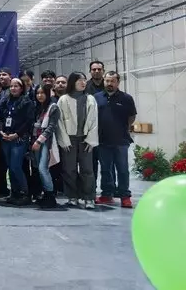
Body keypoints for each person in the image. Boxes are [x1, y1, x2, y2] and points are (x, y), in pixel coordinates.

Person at [57, 72, 98, 209]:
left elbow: (94, 121)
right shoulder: (63, 99)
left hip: (85, 139)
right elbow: (59, 121)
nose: (83, 82)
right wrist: (64, 140)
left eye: (84, 80)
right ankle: (72, 196)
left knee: (87, 169)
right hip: (69, 139)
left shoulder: (90, 99)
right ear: (72, 82)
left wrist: (91, 140)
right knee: (69, 169)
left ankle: (89, 198)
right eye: (79, 80)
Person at [94, 72, 136, 209]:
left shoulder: (126, 98)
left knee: (122, 169)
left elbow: (131, 116)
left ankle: (125, 196)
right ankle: (107, 194)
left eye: (112, 81)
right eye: (107, 81)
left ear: (118, 82)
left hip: (121, 140)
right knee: (105, 169)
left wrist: (123, 129)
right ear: (104, 82)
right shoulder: (97, 97)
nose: (109, 83)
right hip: (102, 140)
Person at [0, 78, 34, 206]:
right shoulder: (5, 101)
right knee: (10, 167)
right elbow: (0, 118)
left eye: (16, 86)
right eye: (11, 86)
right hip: (5, 137)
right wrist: (1, 131)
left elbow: (28, 121)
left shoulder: (27, 102)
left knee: (15, 166)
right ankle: (14, 193)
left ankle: (25, 193)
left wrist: (17, 134)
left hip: (19, 138)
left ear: (21, 88)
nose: (13, 88)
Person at [31, 85, 61, 209]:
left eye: (42, 93)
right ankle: (45, 194)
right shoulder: (38, 107)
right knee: (38, 168)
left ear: (48, 94)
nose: (40, 95)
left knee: (43, 168)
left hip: (46, 142)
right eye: (37, 93)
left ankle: (50, 195)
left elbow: (51, 127)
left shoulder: (53, 107)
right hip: (35, 140)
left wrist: (39, 141)